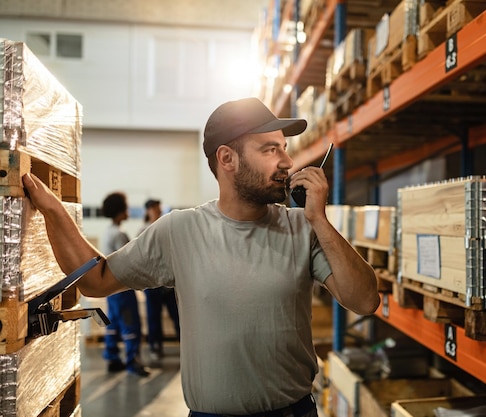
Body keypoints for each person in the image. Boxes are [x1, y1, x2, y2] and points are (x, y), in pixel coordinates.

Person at [21, 97, 380, 416]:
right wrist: (53, 211)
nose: (287, 161)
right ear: (227, 158)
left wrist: (319, 220)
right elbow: (95, 280)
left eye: (284, 148)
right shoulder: (179, 231)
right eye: (270, 149)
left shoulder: (302, 228)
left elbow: (364, 300)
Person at [100, 192, 150, 377]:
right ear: (120, 210)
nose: (128, 211)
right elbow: (130, 261)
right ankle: (133, 362)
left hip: (111, 290)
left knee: (113, 324)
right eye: (126, 207)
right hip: (122, 288)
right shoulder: (120, 234)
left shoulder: (108, 231)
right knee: (131, 326)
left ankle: (112, 358)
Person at [139, 198, 181, 361]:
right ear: (148, 210)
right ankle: (155, 347)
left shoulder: (165, 228)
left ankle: (184, 347)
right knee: (153, 317)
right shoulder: (144, 230)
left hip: (168, 283)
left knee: (177, 315)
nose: (158, 211)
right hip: (152, 283)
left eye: (159, 208)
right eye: (155, 209)